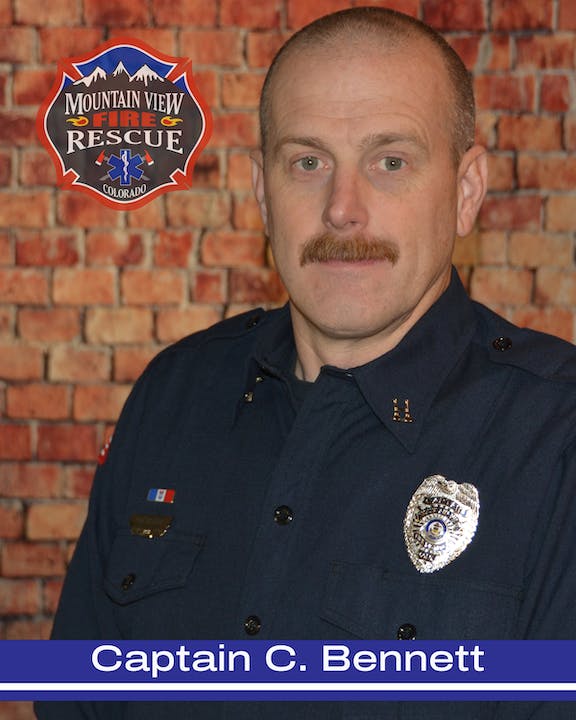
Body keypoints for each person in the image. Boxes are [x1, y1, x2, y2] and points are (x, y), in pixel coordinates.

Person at [36, 6, 576, 720]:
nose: (342, 210)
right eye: (308, 162)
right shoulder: (173, 396)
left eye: (391, 161)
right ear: (263, 191)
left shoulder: (555, 439)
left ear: (466, 192)